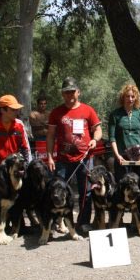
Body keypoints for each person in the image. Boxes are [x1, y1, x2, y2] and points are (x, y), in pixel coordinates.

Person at [47, 77, 102, 233]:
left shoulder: (88, 110)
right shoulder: (56, 112)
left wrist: (94, 140)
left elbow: (98, 130)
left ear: (78, 92)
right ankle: (60, 222)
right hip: (63, 160)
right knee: (58, 190)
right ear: (62, 94)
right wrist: (50, 157)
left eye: (72, 92)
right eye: (66, 92)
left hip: (85, 159)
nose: (69, 95)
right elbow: (50, 135)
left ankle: (83, 223)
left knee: (86, 192)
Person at [108, 84, 140, 183]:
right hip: (121, 156)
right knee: (122, 185)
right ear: (123, 97)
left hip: (139, 156)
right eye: (127, 96)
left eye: (133, 96)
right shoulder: (115, 115)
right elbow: (112, 138)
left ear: (136, 98)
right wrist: (117, 155)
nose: (130, 99)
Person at [0, 94, 32, 164]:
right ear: (2, 110)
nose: (16, 112)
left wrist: (28, 164)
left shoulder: (19, 124)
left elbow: (26, 148)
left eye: (17, 109)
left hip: (15, 166)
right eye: (13, 110)